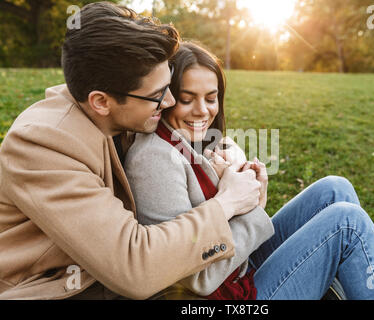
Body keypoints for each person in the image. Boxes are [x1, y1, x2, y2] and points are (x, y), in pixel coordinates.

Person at [0, 2, 262, 300]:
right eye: (157, 95)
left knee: (329, 193)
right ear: (101, 102)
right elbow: (135, 267)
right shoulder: (42, 147)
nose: (168, 102)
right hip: (60, 292)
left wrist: (231, 154)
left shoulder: (114, 101)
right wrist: (229, 202)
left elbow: (193, 132)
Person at [125, 41, 374, 300]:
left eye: (211, 98)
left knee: (335, 189)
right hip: (221, 294)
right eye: (188, 99)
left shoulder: (192, 142)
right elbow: (197, 279)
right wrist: (252, 205)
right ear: (168, 97)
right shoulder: (153, 160)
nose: (202, 111)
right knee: (348, 224)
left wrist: (242, 180)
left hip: (239, 267)